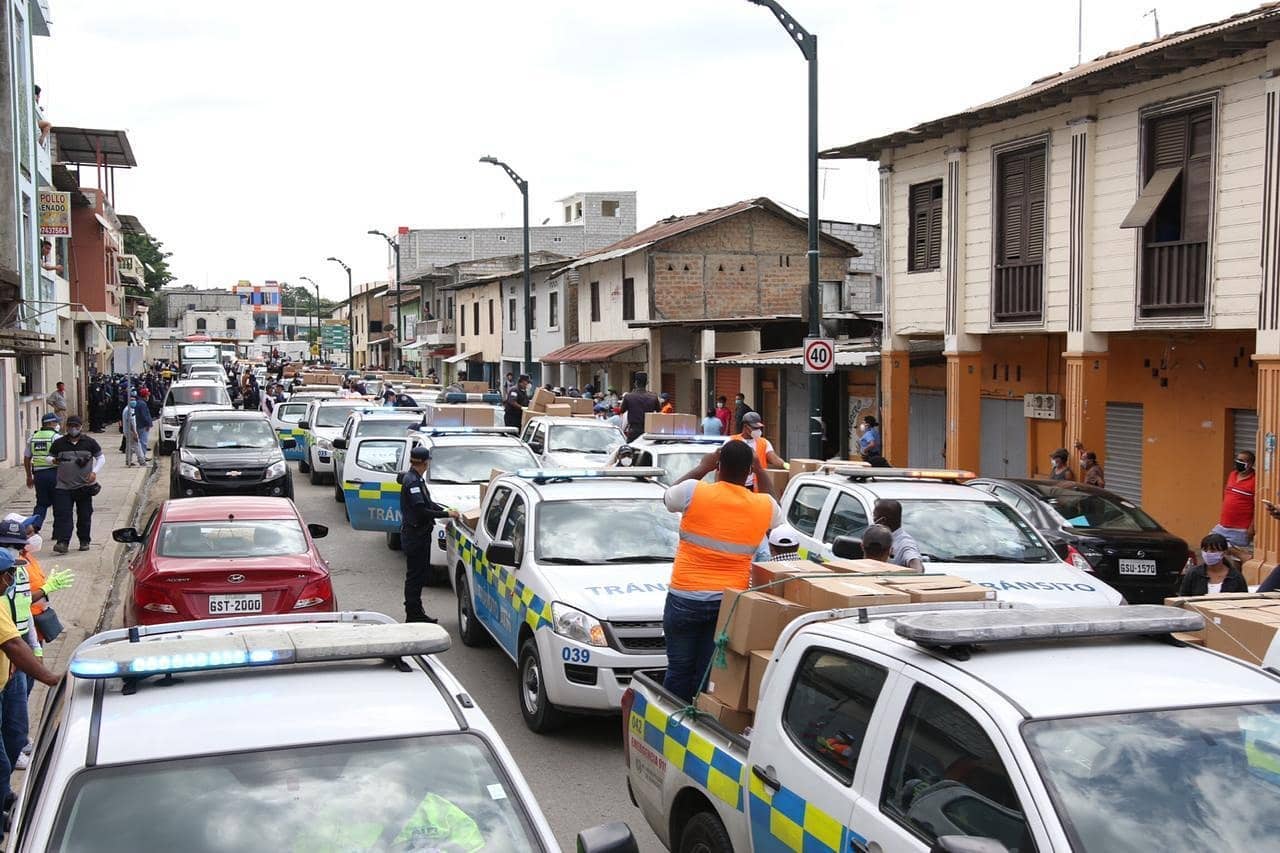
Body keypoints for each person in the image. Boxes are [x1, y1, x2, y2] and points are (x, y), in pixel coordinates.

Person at [661, 442, 782, 702]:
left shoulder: (694, 491)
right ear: (749, 471)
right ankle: (698, 716)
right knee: (707, 672)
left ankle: (671, 717)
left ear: (718, 466)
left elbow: (668, 497)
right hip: (726, 603)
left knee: (679, 669)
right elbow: (777, 509)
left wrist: (702, 467)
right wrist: (760, 469)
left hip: (685, 597)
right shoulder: (763, 505)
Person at [400, 447, 458, 624]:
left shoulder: (416, 479)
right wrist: (445, 514)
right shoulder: (412, 482)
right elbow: (421, 511)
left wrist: (445, 510)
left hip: (418, 535)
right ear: (425, 462)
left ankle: (416, 611)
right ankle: (413, 614)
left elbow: (428, 503)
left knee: (418, 575)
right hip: (416, 536)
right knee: (415, 577)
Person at [49, 416, 103, 554]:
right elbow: (49, 457)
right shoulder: (59, 443)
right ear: (66, 427)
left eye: (76, 426)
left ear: (81, 427)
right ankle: (63, 542)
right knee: (63, 515)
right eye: (71, 426)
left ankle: (84, 541)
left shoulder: (90, 442)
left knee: (84, 515)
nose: (73, 429)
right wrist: (53, 461)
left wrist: (94, 472)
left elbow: (101, 458)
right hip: (63, 487)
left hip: (83, 487)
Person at [1212, 450, 1256, 549]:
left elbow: (1258, 508)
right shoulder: (1233, 474)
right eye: (1237, 459)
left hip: (1240, 529)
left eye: (1241, 461)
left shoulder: (1255, 480)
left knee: (1233, 555)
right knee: (1210, 545)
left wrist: (1251, 528)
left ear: (1250, 464)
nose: (1238, 462)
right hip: (1223, 525)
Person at [1179, 533, 1247, 596]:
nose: (1208, 553)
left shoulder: (1235, 576)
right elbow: (1183, 597)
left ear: (1224, 552)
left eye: (1213, 550)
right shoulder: (1194, 574)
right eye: (1205, 550)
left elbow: (1243, 599)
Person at [23, 413, 60, 528]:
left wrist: (29, 476)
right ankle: (58, 532)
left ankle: (34, 528)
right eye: (56, 422)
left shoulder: (33, 438)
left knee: (41, 503)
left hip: (39, 475)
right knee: (58, 503)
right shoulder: (56, 437)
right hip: (54, 474)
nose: (57, 424)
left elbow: (27, 458)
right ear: (50, 423)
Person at [734, 412, 786, 493]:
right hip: (736, 487)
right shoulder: (732, 441)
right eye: (754, 428)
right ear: (745, 426)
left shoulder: (764, 443)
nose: (758, 431)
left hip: (756, 487)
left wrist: (786, 465)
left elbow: (774, 459)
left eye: (758, 428)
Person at [872, 499, 924, 571]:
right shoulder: (879, 538)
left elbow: (916, 565)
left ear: (882, 520)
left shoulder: (905, 543)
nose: (873, 519)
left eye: (874, 516)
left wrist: (916, 573)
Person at [619, 373, 660, 442]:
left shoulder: (628, 397)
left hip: (634, 431)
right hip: (648, 431)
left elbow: (622, 410)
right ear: (647, 383)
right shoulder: (653, 397)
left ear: (635, 383)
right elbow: (658, 411)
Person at [121, 395, 143, 468]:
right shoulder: (128, 410)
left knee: (129, 447)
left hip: (128, 431)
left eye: (134, 400)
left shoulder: (128, 409)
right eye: (131, 400)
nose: (134, 401)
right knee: (137, 445)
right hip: (130, 432)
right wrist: (135, 433)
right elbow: (130, 423)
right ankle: (142, 461)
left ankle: (128, 461)